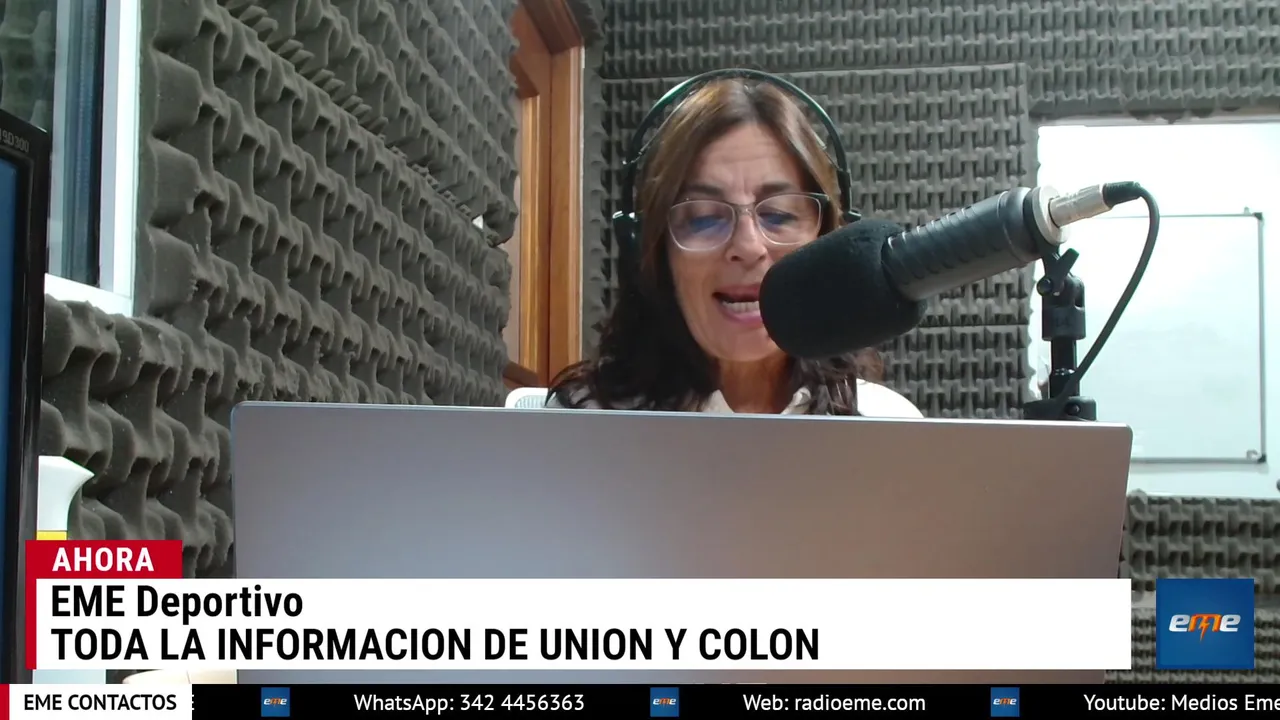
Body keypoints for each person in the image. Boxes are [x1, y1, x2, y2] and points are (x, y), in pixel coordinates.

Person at [548, 77, 921, 418]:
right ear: (657, 253)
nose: (748, 246)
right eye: (703, 218)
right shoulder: (583, 422)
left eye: (778, 214)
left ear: (826, 243)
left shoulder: (888, 425)